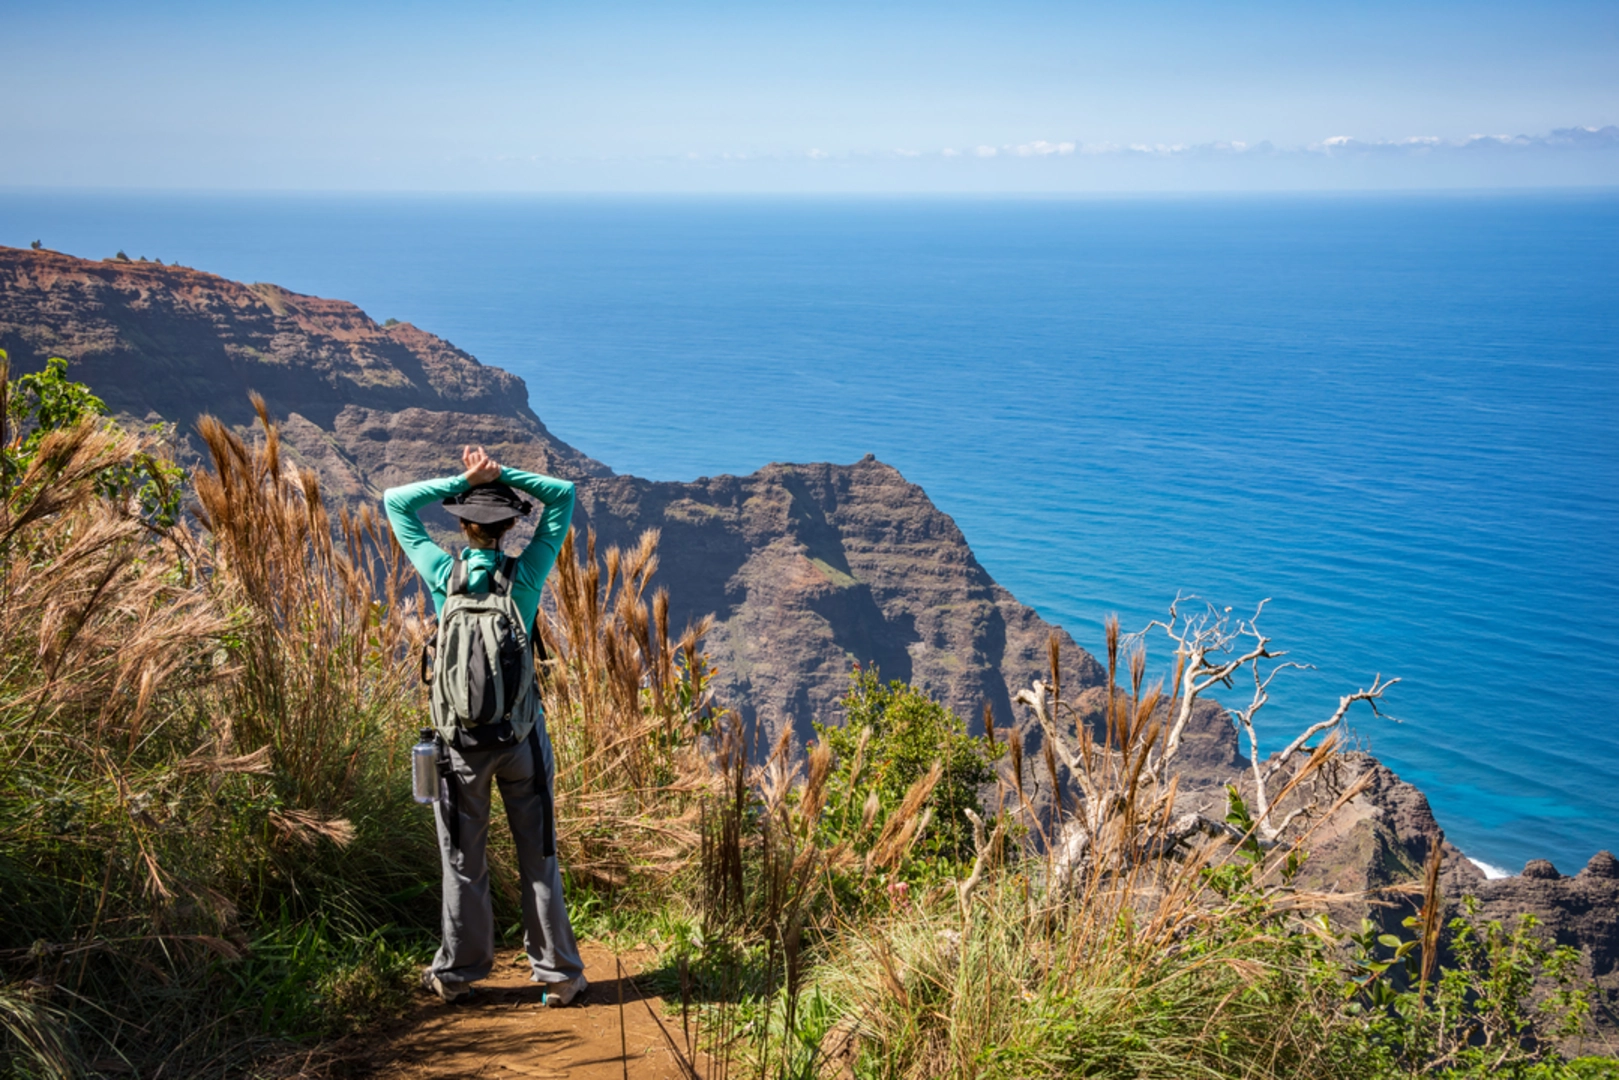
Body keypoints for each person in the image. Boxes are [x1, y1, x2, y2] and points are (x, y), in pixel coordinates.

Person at [384, 444, 587, 1007]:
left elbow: (395, 501)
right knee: (538, 855)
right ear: (507, 529)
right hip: (520, 739)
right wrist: (503, 476)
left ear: (466, 524)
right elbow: (564, 495)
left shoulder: (441, 574)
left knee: (462, 861)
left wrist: (463, 479)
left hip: (457, 747)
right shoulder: (525, 577)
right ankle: (559, 976)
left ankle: (457, 974)